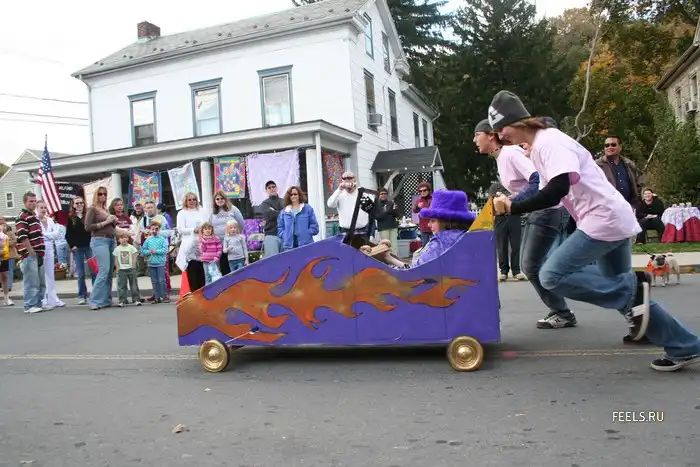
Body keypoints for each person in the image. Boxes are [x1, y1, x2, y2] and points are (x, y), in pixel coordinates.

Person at [488, 89, 700, 370]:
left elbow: (557, 189)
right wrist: (512, 202)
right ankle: (684, 346)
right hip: (609, 217)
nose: (500, 137)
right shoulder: (540, 147)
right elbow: (545, 195)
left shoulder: (550, 142)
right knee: (623, 290)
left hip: (603, 219)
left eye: (501, 129)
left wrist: (513, 208)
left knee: (551, 275)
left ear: (515, 122)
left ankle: (634, 289)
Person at [475, 118, 575, 328]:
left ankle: (563, 312)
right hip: (540, 212)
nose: (474, 140)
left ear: (491, 135)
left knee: (531, 265)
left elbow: (537, 179)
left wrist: (513, 203)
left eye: (477, 135)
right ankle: (561, 310)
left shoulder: (510, 153)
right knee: (535, 265)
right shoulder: (501, 157)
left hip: (548, 210)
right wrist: (510, 199)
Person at [370, 190, 476, 269]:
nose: (429, 224)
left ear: (447, 221)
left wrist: (383, 264)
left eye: (433, 221)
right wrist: (388, 258)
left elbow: (413, 273)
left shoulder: (440, 243)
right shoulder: (467, 238)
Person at [84, 187, 118, 310]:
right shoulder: (92, 209)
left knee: (109, 272)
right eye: (100, 194)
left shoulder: (105, 209)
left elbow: (111, 226)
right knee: (103, 271)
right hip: (99, 240)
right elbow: (88, 227)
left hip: (111, 239)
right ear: (96, 195)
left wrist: (113, 221)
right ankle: (94, 300)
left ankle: (106, 299)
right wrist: (106, 222)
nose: (103, 196)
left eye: (105, 194)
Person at [16, 192, 46, 313]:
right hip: (30, 254)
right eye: (30, 201)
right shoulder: (22, 216)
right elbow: (23, 236)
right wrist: (30, 251)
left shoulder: (33, 216)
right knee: (31, 281)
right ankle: (29, 305)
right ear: (25, 202)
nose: (33, 203)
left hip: (39, 253)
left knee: (40, 282)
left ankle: (38, 303)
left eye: (34, 201)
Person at [175, 191, 209, 292]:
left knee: (204, 274)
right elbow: (180, 229)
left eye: (194, 199)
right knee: (193, 273)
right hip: (189, 245)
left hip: (203, 243)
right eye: (189, 199)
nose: (192, 201)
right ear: (185, 201)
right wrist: (193, 230)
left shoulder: (202, 211)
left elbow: (208, 225)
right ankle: (195, 294)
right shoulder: (182, 213)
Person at [36, 200, 66, 309]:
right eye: (41, 207)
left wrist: (44, 235)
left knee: (50, 274)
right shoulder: (35, 220)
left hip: (49, 248)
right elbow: (37, 235)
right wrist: (48, 235)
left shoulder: (50, 220)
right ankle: (43, 299)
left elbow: (56, 234)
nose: (44, 209)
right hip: (39, 248)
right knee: (41, 274)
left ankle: (53, 299)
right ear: (37, 209)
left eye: (45, 207)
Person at [66, 197, 95, 305]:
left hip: (89, 246)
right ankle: (82, 295)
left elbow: (92, 229)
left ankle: (96, 294)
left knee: (94, 271)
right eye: (77, 203)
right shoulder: (70, 218)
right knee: (81, 273)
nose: (79, 205)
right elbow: (68, 234)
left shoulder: (88, 215)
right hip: (78, 248)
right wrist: (72, 245)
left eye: (81, 203)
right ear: (73, 205)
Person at [210, 190, 245, 275]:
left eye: (222, 198)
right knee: (224, 268)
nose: (220, 200)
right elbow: (210, 227)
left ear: (225, 199)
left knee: (234, 268)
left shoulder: (233, 209)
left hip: (232, 244)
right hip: (219, 244)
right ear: (214, 201)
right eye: (217, 199)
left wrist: (235, 236)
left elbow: (241, 223)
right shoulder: (213, 213)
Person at [327, 171, 370, 241]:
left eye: (349, 178)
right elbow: (330, 204)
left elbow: (370, 208)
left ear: (354, 179)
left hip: (362, 230)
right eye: (344, 178)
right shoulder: (340, 194)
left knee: (363, 248)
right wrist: (339, 189)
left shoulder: (362, 192)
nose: (347, 180)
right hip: (345, 231)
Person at [278, 186, 320, 251]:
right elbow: (280, 228)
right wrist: (284, 235)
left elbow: (314, 226)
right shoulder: (284, 212)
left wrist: (307, 234)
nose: (293, 196)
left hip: (306, 244)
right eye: (291, 194)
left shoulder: (307, 208)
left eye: (295, 194)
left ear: (299, 195)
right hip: (289, 246)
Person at [141, 221, 168, 304]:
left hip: (160, 263)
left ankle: (164, 296)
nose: (154, 231)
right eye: (152, 229)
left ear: (159, 230)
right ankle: (157, 297)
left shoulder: (162, 239)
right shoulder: (148, 240)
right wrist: (149, 252)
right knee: (154, 281)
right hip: (151, 263)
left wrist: (156, 251)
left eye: (156, 229)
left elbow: (165, 250)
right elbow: (143, 250)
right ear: (150, 230)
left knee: (161, 280)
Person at [113, 232, 141, 307]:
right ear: (118, 240)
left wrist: (133, 265)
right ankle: (122, 300)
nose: (124, 239)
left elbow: (135, 255)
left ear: (128, 239)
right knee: (121, 286)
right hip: (121, 270)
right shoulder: (117, 249)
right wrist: (117, 267)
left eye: (125, 237)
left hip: (131, 269)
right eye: (122, 238)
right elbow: (116, 259)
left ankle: (136, 300)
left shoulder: (131, 247)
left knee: (134, 285)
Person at [260, 180, 283, 257]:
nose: (272, 188)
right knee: (273, 260)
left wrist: (274, 211)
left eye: (273, 186)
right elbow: (269, 215)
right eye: (269, 187)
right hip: (271, 235)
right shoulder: (264, 203)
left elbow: (288, 214)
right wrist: (282, 212)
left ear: (277, 188)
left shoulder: (284, 201)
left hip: (285, 235)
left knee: (286, 261)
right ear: (266, 190)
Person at [373, 188, 400, 255]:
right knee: (385, 246)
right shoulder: (376, 204)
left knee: (394, 246)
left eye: (385, 194)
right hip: (383, 228)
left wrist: (395, 210)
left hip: (393, 226)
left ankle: (394, 259)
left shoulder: (391, 203)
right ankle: (387, 260)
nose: (383, 195)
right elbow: (377, 217)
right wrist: (387, 211)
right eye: (382, 194)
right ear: (379, 195)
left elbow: (397, 215)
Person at [0, 222, 12, 306]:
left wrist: (3, 252)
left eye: (3, 226)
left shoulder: (5, 237)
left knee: (5, 277)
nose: (2, 227)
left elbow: (6, 248)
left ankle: (6, 298)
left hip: (4, 258)